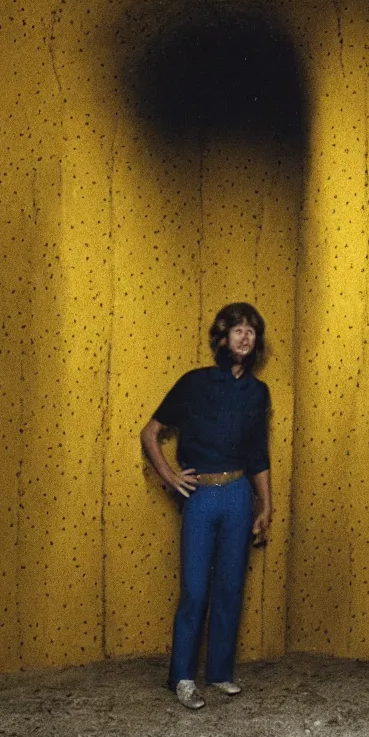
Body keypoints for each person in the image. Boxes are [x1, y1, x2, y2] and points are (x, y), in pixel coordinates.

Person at [140, 303, 272, 710]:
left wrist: (266, 504)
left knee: (231, 587)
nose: (245, 336)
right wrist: (170, 476)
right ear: (221, 337)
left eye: (251, 330)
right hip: (200, 496)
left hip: (238, 495)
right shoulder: (194, 383)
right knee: (196, 590)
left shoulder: (258, 392)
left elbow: (258, 455)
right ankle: (181, 677)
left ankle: (219, 673)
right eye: (237, 329)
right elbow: (150, 432)